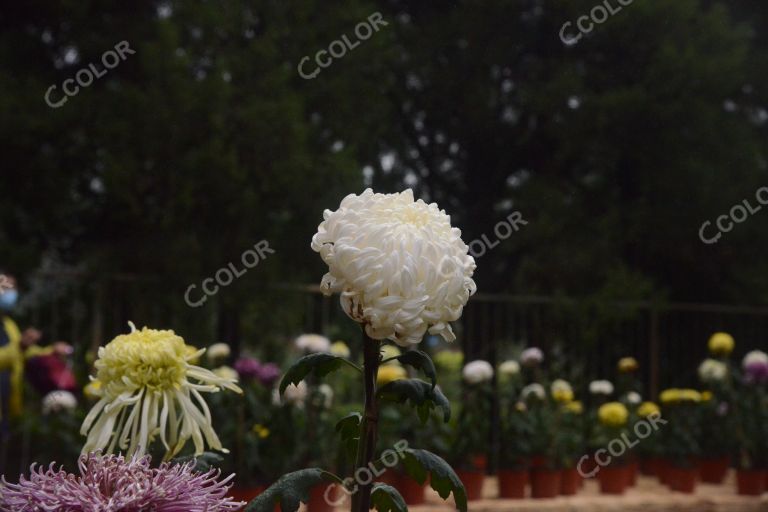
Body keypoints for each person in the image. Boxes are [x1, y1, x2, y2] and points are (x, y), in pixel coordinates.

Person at [0, 273, 71, 422]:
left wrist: (52, 350)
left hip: (6, 407)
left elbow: (26, 353)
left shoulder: (9, 325)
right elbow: (16, 351)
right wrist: (19, 346)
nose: (10, 293)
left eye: (13, 288)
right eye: (5, 288)